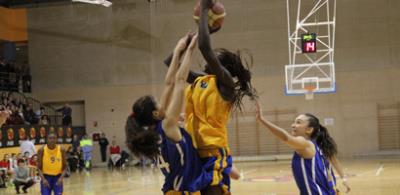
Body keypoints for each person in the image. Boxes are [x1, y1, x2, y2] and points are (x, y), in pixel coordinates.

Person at [175, 0, 256, 193]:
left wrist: (204, 11)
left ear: (224, 67)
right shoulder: (201, 80)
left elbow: (204, 47)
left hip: (213, 151)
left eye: (215, 57)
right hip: (192, 150)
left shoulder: (226, 84)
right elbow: (172, 64)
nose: (209, 58)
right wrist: (185, 45)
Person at [126, 33, 216, 194]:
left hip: (173, 189)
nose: (163, 103)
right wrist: (189, 50)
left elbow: (169, 83)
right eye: (159, 103)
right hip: (184, 190)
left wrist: (177, 51)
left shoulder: (152, 135)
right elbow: (180, 81)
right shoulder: (167, 125)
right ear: (155, 113)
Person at [255, 102, 339, 195]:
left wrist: (262, 120)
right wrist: (333, 188)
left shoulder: (305, 144)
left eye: (298, 122)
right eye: (294, 122)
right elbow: (328, 175)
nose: (293, 125)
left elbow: (286, 138)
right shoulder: (317, 147)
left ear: (309, 129)